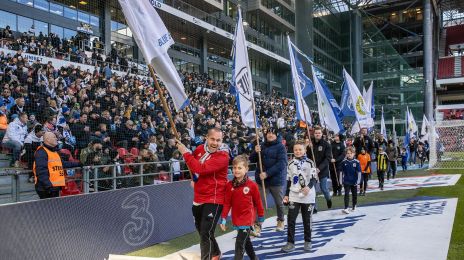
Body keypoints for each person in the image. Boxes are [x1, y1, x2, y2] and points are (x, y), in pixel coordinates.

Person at [176, 127, 229, 260]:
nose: (215, 143)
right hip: (199, 196)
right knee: (201, 230)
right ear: (206, 138)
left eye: (218, 140)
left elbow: (201, 168)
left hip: (215, 198)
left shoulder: (223, 156)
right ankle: (216, 253)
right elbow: (192, 167)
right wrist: (193, 178)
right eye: (212, 139)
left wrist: (184, 152)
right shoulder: (199, 149)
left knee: (206, 232)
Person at [219, 155, 264, 260]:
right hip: (236, 218)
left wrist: (261, 217)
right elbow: (227, 203)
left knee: (239, 243)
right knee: (246, 240)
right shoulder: (229, 185)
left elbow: (258, 202)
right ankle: (254, 257)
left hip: (247, 219)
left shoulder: (252, 185)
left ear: (246, 169)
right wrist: (224, 218)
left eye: (239, 168)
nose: (236, 170)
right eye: (234, 168)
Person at [281, 140, 317, 253]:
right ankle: (290, 243)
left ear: (305, 150)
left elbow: (314, 178)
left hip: (308, 195)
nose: (297, 151)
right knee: (291, 219)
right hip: (294, 195)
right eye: (296, 149)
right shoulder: (290, 164)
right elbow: (288, 180)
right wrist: (286, 195)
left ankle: (308, 241)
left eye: (300, 149)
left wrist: (308, 187)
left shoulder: (310, 162)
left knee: (307, 220)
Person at [250, 126, 287, 233]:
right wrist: (255, 152)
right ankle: (258, 224)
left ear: (276, 135)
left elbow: (282, 163)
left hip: (276, 181)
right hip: (262, 182)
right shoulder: (261, 146)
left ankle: (280, 220)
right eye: (269, 133)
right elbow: (252, 159)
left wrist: (267, 173)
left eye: (273, 133)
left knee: (279, 203)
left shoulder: (281, 147)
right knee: (259, 203)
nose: (270, 135)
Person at [33, 132, 81, 199]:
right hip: (47, 189)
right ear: (47, 139)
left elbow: (63, 164)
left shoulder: (54, 152)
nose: (56, 138)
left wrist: (79, 163)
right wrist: (48, 186)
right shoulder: (42, 152)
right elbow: (41, 171)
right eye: (54, 137)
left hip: (54, 187)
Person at [307, 126, 332, 211]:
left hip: (323, 170)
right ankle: (314, 208)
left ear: (322, 134)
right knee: (312, 189)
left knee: (324, 188)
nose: (317, 134)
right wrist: (309, 148)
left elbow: (328, 158)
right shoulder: (310, 144)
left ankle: (328, 199)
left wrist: (319, 168)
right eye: (316, 133)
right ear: (314, 134)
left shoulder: (326, 145)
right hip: (312, 170)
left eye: (319, 133)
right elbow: (308, 157)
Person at [340, 147, 361, 214]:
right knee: (346, 194)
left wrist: (358, 182)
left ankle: (354, 205)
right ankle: (346, 208)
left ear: (354, 154)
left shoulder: (357, 162)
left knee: (354, 194)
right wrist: (341, 181)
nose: (349, 154)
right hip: (346, 181)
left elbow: (359, 173)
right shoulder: (343, 162)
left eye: (351, 153)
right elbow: (341, 172)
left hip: (354, 181)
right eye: (348, 153)